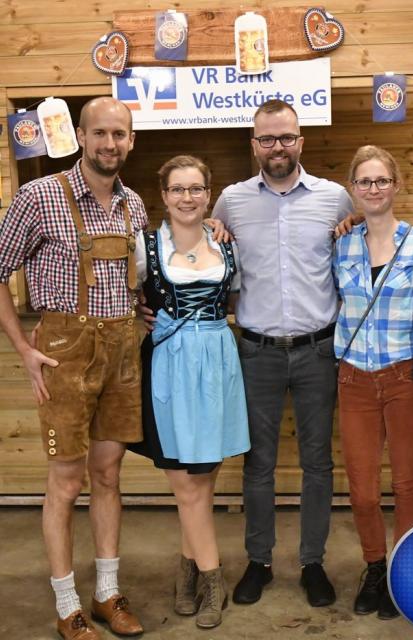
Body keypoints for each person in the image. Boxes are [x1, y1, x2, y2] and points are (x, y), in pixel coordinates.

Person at [0, 97, 146, 639]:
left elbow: (134, 278)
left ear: (131, 140)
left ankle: (107, 593)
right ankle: (67, 605)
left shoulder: (134, 204)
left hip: (121, 351)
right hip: (66, 350)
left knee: (108, 474)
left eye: (120, 134)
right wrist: (23, 346)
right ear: (81, 136)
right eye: (100, 133)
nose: (110, 143)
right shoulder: (40, 196)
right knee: (66, 480)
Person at [212, 99, 353, 607]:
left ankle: (313, 562)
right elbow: (210, 252)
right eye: (268, 139)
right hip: (257, 353)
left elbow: (355, 254)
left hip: (319, 351)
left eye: (287, 137)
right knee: (258, 464)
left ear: (301, 141)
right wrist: (212, 231)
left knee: (318, 463)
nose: (278, 147)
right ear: (254, 145)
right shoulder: (231, 201)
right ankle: (260, 561)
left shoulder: (334, 198)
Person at [128, 155, 250, 629]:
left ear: (208, 194)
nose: (187, 197)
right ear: (164, 196)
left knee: (203, 482)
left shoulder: (225, 244)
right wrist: (139, 315)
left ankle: (187, 572)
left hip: (217, 363)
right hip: (170, 366)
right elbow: (122, 297)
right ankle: (214, 581)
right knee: (186, 485)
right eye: (177, 189)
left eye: (195, 188)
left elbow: (234, 300)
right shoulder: (145, 248)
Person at [333, 145, 413, 619]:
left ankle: (404, 572)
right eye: (364, 181)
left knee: (407, 483)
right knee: (363, 489)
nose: (373, 189)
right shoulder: (341, 244)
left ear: (396, 185)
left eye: (381, 180)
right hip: (354, 377)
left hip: (405, 374)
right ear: (353, 188)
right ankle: (375, 566)